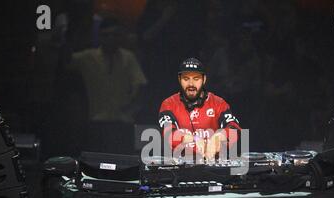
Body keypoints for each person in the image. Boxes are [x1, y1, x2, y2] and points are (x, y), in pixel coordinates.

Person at [68, 17, 147, 153]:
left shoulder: (128, 58)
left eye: (115, 35)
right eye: (106, 35)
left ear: (120, 37)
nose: (110, 38)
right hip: (96, 121)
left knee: (123, 164)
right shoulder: (88, 57)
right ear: (100, 36)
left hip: (122, 122)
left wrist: (131, 109)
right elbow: (66, 62)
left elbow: (140, 86)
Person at [158, 58, 241, 160]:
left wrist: (220, 136)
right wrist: (193, 139)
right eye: (186, 79)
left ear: (204, 79)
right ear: (179, 79)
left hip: (214, 167)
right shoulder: (169, 104)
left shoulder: (218, 103)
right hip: (180, 168)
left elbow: (234, 128)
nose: (191, 84)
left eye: (196, 79)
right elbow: (168, 134)